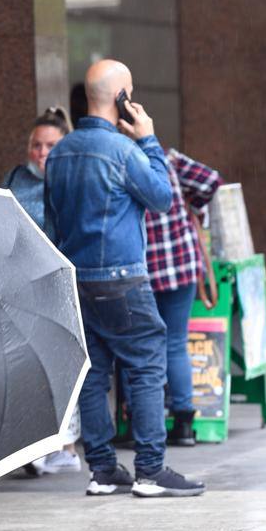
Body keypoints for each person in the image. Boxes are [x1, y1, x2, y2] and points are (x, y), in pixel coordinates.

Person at [44, 59, 206, 498]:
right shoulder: (124, 150)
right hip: (122, 276)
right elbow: (161, 198)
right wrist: (149, 139)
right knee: (147, 365)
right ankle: (150, 470)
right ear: (122, 98)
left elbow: (52, 221)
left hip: (78, 278)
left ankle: (102, 471)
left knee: (94, 373)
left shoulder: (59, 153)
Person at [2, 106, 82, 475]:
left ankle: (66, 444)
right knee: (26, 365)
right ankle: (32, 445)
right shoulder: (16, 179)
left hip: (64, 283)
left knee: (65, 363)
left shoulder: (76, 179)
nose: (41, 153)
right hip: (21, 284)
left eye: (50, 145)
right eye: (36, 145)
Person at [142, 150, 222, 446]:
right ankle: (184, 423)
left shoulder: (121, 161)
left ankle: (147, 422)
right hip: (182, 263)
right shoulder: (167, 159)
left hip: (146, 267)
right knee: (176, 342)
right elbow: (212, 180)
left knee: (145, 345)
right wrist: (193, 202)